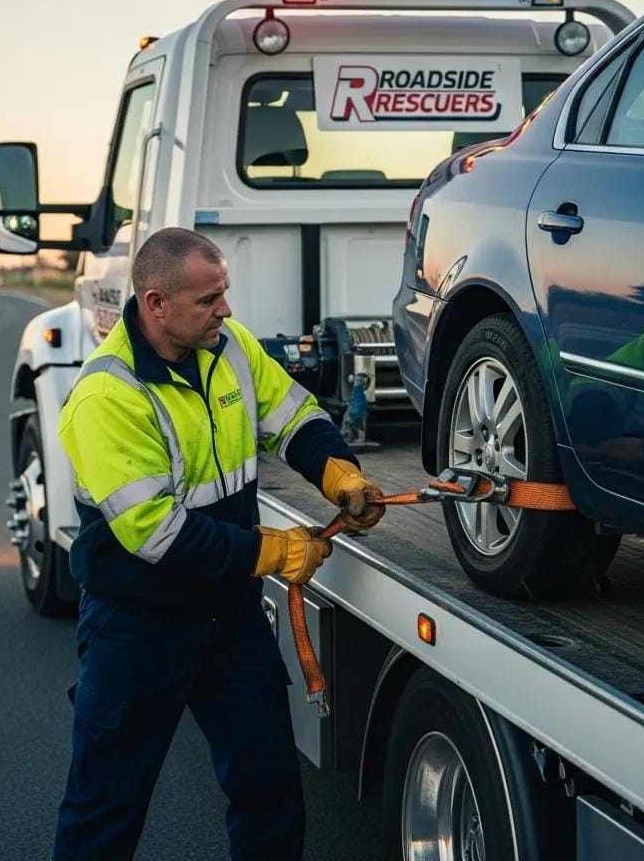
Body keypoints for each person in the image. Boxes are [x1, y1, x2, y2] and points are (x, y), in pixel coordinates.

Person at [53, 227, 385, 861]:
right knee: (105, 811)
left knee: (270, 795)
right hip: (138, 629)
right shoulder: (107, 396)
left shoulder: (229, 348)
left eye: (224, 293)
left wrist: (339, 473)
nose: (225, 311)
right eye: (208, 300)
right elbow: (158, 534)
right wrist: (276, 552)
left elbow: (293, 415)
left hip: (228, 619)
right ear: (156, 304)